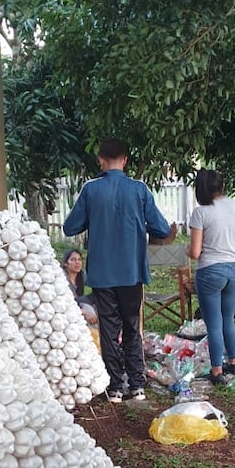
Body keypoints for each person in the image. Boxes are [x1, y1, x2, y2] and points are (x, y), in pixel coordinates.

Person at [63, 137, 175, 403]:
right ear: (125, 160)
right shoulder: (139, 189)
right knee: (131, 326)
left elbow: (70, 227)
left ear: (101, 160)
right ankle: (136, 385)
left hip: (102, 275)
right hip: (132, 272)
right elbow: (161, 228)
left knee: (109, 329)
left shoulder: (91, 189)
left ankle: (114, 387)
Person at [189, 168, 235, 385]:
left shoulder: (201, 212)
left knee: (214, 323)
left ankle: (216, 371)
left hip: (209, 271)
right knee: (228, 318)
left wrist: (187, 252)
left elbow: (195, 252)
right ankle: (233, 363)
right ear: (222, 186)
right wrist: (233, 254)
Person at [61, 248, 98, 324]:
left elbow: (95, 283)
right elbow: (62, 303)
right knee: (82, 301)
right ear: (65, 263)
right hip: (66, 307)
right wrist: (83, 311)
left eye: (79, 260)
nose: (77, 262)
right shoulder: (61, 277)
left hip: (79, 303)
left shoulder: (82, 275)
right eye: (73, 260)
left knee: (100, 295)